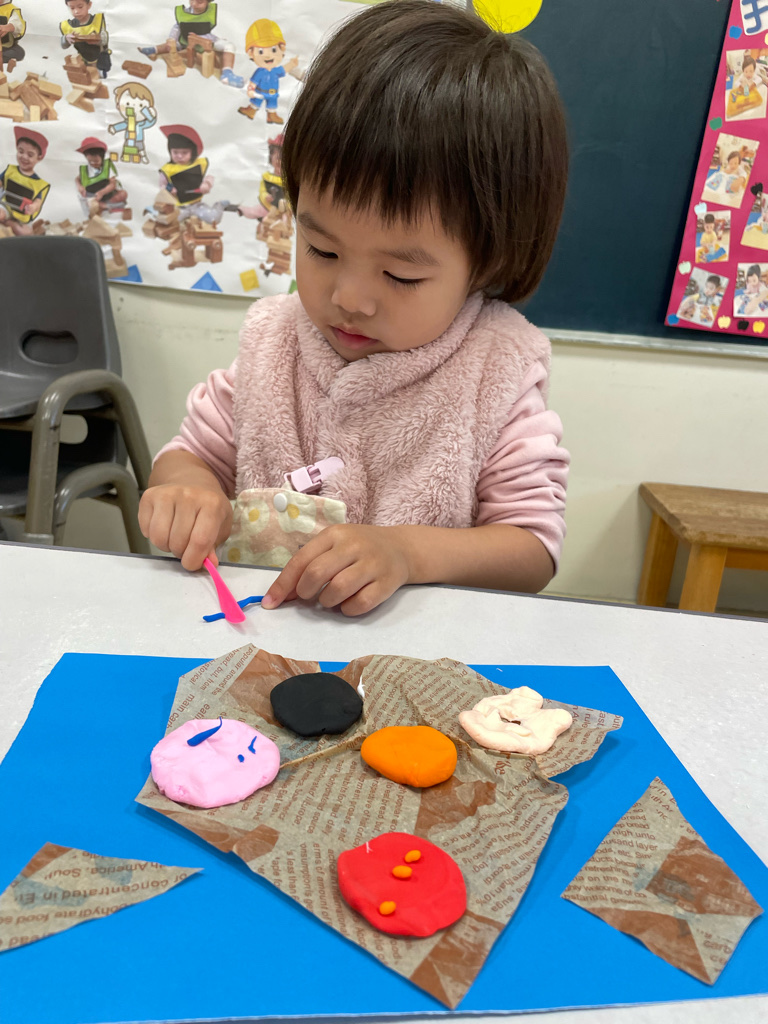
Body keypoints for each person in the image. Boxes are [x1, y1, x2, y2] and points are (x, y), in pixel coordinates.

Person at [139, 0, 570, 616]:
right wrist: (185, 490)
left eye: (401, 274)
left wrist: (410, 553)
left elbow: (531, 550)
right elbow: (191, 454)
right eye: (321, 249)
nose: (348, 298)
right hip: (261, 642)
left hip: (417, 660)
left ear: (488, 259)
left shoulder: (497, 371)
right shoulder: (276, 342)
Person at [138, 0, 242, 88]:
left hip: (206, 42)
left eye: (200, 2)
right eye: (192, 0)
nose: (194, 4)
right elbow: (177, 27)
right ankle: (153, 50)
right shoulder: (183, 13)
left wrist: (217, 40)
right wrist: (172, 38)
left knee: (229, 46)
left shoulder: (210, 11)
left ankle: (227, 73)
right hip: (185, 41)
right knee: (170, 45)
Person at [157, 124, 228, 224]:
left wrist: (207, 184)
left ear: (192, 152)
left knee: (214, 220)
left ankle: (219, 205)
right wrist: (169, 190)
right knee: (170, 224)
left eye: (184, 152)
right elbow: (162, 186)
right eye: (175, 152)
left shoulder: (200, 163)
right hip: (178, 207)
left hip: (197, 205)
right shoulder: (167, 169)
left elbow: (211, 176)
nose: (179, 156)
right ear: (170, 151)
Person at [239, 19, 302, 124]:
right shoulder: (259, 72)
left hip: (273, 93)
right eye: (261, 51)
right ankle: (251, 110)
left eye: (273, 50)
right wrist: (251, 90)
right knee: (256, 102)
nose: (268, 56)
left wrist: (292, 64)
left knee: (272, 104)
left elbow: (284, 69)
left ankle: (272, 115)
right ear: (251, 53)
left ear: (282, 49)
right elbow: (253, 82)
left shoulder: (276, 71)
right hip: (259, 92)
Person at [0, 126, 50, 236]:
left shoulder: (38, 183)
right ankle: (6, 221)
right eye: (21, 151)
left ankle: (10, 223)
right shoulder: (10, 170)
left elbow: (38, 201)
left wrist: (33, 207)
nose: (24, 157)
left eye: (30, 155)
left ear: (39, 157)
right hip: (6, 206)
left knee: (26, 233)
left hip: (22, 215)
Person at [74, 136, 126, 216]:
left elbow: (113, 184)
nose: (93, 164)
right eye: (90, 161)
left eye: (96, 161)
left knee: (123, 194)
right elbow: (77, 179)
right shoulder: (85, 169)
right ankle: (103, 206)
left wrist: (102, 192)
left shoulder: (107, 166)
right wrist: (79, 186)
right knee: (89, 203)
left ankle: (104, 206)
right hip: (92, 196)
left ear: (102, 158)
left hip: (106, 193)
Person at [60, 0, 111, 78]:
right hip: (82, 61)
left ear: (89, 5)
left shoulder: (99, 19)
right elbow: (63, 46)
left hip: (100, 61)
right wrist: (66, 38)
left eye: (80, 7)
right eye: (72, 8)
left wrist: (98, 40)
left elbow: (108, 39)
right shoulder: (66, 25)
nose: (76, 11)